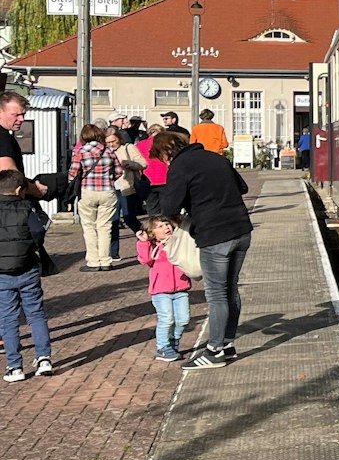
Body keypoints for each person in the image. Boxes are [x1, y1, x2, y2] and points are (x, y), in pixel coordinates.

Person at [149, 129, 249, 368]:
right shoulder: (215, 157)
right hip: (241, 229)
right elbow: (243, 187)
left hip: (214, 234)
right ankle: (227, 344)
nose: (163, 162)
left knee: (216, 294)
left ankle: (214, 351)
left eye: (161, 158)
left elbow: (169, 206)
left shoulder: (179, 166)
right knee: (231, 289)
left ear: (165, 152)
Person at [0, 169, 53, 381]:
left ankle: (14, 366)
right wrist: (33, 246)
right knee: (36, 314)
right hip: (28, 267)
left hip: (2, 273)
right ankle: (44, 358)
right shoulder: (26, 207)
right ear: (20, 190)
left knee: (8, 318)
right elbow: (39, 230)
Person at [136, 215, 191, 363]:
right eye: (160, 226)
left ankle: (173, 341)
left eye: (167, 224)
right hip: (160, 291)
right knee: (166, 319)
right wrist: (144, 242)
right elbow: (145, 259)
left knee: (183, 319)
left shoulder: (178, 242)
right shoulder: (153, 247)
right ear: (152, 233)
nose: (166, 227)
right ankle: (163, 347)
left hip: (181, 288)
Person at [69, 124, 119, 272]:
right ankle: (106, 260)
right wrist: (109, 179)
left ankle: (93, 261)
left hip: (88, 191)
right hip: (108, 191)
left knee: (89, 227)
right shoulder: (108, 151)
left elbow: (72, 173)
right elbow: (119, 171)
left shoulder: (80, 151)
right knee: (105, 227)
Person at [104, 128, 150, 261]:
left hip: (126, 187)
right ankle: (114, 253)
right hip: (111, 189)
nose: (111, 144)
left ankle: (146, 238)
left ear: (119, 138)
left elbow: (143, 164)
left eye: (114, 141)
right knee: (113, 220)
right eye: (108, 142)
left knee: (129, 218)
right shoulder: (105, 151)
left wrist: (130, 164)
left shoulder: (128, 148)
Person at [0, 93, 47, 202]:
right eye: (15, 115)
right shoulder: (3, 137)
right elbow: (8, 176)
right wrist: (34, 189)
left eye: (23, 114)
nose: (21, 119)